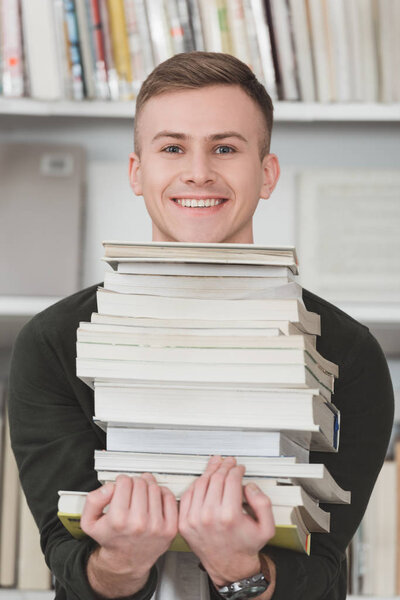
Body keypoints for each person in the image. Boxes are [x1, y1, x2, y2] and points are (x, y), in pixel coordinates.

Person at [8, 52, 394, 600]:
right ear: (137, 173)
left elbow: (323, 568)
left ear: (266, 174)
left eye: (225, 148)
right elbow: (66, 554)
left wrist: (240, 569)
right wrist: (121, 563)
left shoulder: (347, 353)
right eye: (172, 148)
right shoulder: (51, 344)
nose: (198, 172)